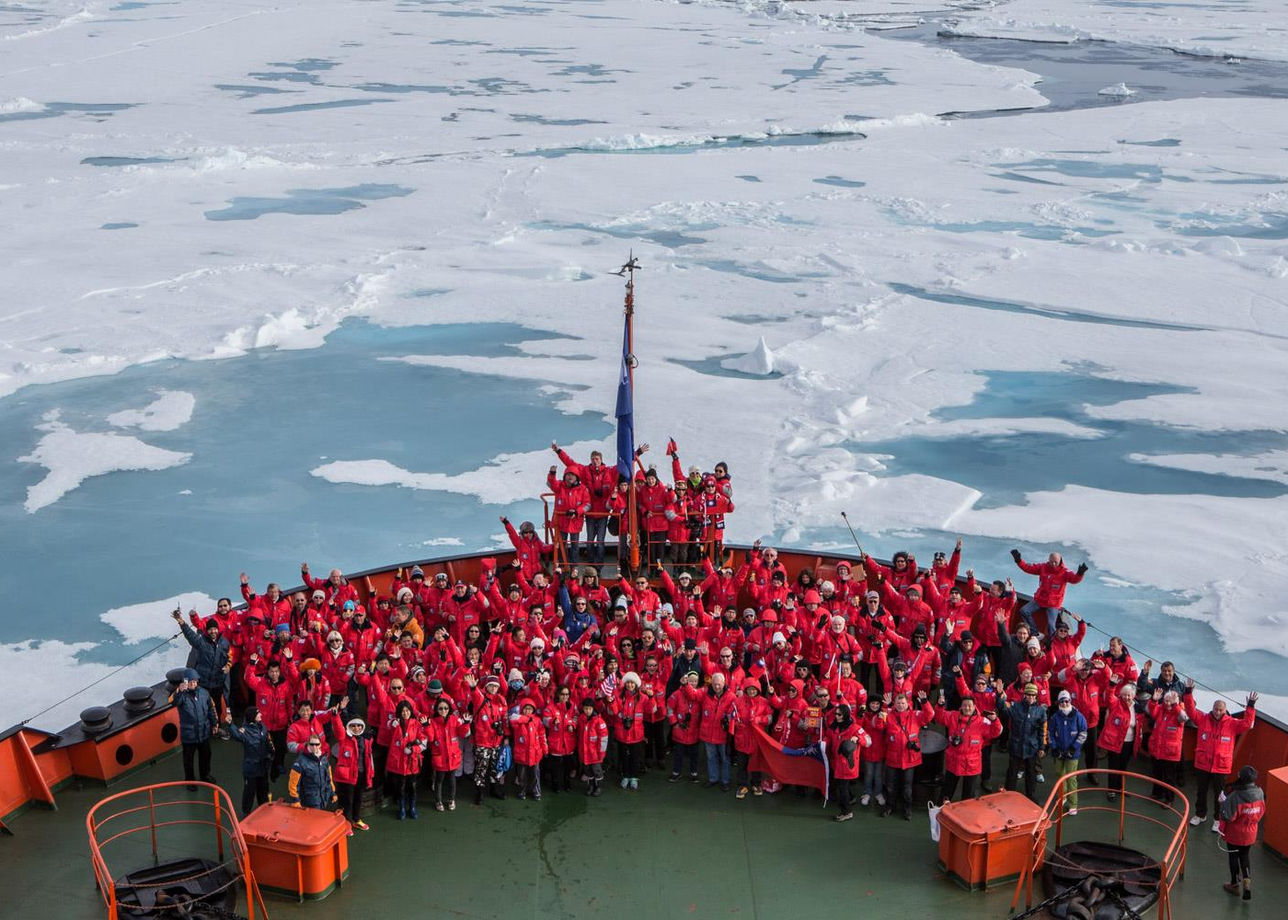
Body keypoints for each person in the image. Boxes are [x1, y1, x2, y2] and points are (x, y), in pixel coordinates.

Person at [1184, 683, 1257, 829]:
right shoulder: (1203, 719)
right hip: (1203, 764)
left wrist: (1250, 706)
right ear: (1212, 709)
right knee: (1201, 791)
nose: (1217, 712)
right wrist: (1188, 693)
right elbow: (1191, 711)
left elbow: (1248, 724)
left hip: (1220, 767)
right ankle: (1200, 814)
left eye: (1220, 710)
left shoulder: (1232, 724)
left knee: (1220, 795)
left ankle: (1218, 819)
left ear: (1225, 710)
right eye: (1216, 709)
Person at [934, 693, 1002, 804]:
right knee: (947, 791)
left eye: (970, 705)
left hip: (971, 766)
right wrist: (940, 706)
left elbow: (995, 732)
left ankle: (965, 817)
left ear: (975, 707)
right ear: (961, 706)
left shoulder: (982, 722)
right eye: (964, 705)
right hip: (954, 762)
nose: (967, 708)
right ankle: (940, 811)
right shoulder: (953, 716)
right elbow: (939, 718)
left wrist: (995, 720)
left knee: (968, 797)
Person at [173, 610, 231, 734]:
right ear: (207, 631)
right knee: (202, 707)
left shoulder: (224, 643)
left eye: (215, 629)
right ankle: (205, 729)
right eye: (210, 629)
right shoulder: (201, 642)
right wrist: (182, 622)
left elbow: (228, 657)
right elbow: (190, 635)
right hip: (203, 683)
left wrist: (228, 666)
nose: (213, 631)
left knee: (217, 707)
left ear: (218, 629)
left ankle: (216, 727)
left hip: (217, 682)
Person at [881, 691, 935, 820]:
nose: (900, 705)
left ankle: (907, 809)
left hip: (909, 759)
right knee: (890, 786)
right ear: (894, 704)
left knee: (907, 788)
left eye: (903, 703)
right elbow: (878, 724)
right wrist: (884, 707)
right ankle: (889, 807)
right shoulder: (888, 715)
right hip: (892, 758)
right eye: (898, 703)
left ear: (908, 703)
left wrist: (924, 702)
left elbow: (929, 715)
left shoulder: (915, 715)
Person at [1010, 549, 1086, 635]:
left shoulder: (1064, 572)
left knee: (1051, 625)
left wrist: (1080, 573)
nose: (1053, 564)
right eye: (1051, 562)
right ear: (1048, 560)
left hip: (1053, 604)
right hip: (1040, 600)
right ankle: (1034, 631)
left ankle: (1052, 643)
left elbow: (1074, 579)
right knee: (1024, 611)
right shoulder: (1043, 567)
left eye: (1055, 562)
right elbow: (1028, 568)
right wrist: (1019, 561)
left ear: (1060, 561)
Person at [1220, 766, 1266, 901]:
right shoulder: (1260, 793)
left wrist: (1223, 803)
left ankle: (1234, 884)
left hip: (1235, 833)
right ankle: (1247, 882)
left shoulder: (1235, 796)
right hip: (1251, 832)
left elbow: (1228, 816)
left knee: (1233, 856)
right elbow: (1262, 811)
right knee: (1245, 856)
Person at [1000, 681, 1047, 802]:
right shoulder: (1015, 707)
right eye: (1029, 694)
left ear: (1036, 696)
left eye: (1033, 695)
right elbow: (1003, 708)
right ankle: (1008, 795)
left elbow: (1042, 731)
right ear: (1024, 695)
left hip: (1032, 747)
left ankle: (1030, 795)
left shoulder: (1041, 711)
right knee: (1012, 772)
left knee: (1031, 773)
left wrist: (1041, 747)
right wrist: (999, 694)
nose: (1031, 697)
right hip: (1016, 746)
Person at [170, 668, 217, 786]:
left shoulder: (204, 693)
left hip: (204, 732)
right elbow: (174, 702)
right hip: (189, 735)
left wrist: (215, 723)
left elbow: (211, 708)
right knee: (188, 759)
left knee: (206, 755)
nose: (193, 684)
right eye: (190, 682)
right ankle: (190, 781)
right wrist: (179, 691)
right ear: (185, 683)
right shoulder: (182, 696)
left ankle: (205, 774)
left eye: (195, 681)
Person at [826, 703, 870, 822]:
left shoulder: (855, 728)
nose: (837, 716)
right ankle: (846, 808)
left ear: (845, 715)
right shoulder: (833, 726)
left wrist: (858, 739)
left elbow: (868, 741)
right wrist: (822, 743)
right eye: (835, 714)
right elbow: (828, 738)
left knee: (843, 789)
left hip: (847, 764)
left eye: (839, 714)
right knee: (842, 788)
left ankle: (847, 812)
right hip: (837, 763)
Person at [224, 707, 272, 817]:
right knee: (249, 791)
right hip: (251, 768)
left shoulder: (263, 727)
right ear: (252, 717)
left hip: (263, 766)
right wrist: (230, 724)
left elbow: (268, 742)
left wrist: (271, 754)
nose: (261, 714)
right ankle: (246, 812)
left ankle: (264, 808)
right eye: (258, 713)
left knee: (264, 789)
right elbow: (237, 735)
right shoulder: (245, 731)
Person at [330, 710, 374, 831]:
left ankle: (357, 819)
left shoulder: (366, 741)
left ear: (362, 727)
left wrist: (370, 773)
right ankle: (347, 823)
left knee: (358, 798)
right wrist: (336, 715)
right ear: (349, 727)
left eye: (359, 725)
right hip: (347, 777)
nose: (356, 728)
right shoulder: (344, 738)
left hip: (361, 774)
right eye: (353, 725)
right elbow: (338, 728)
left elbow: (368, 758)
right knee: (347, 801)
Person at [1097, 684, 1141, 800]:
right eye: (1124, 695)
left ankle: (1120, 788)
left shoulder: (1137, 708)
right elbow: (1109, 697)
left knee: (1123, 766)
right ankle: (1111, 791)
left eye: (1129, 695)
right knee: (1113, 766)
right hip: (1115, 742)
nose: (1127, 697)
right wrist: (1111, 685)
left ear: (1133, 696)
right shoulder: (1116, 703)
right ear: (1121, 695)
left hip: (1129, 742)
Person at [1047, 691, 1088, 815]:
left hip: (1072, 754)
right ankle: (1062, 796)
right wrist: (1054, 748)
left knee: (1071, 778)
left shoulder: (1078, 716)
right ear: (1058, 703)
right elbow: (1050, 733)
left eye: (1067, 701)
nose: (1065, 703)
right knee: (1060, 775)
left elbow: (1083, 733)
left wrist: (1073, 748)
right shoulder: (1055, 717)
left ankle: (1073, 804)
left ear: (1070, 701)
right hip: (1059, 752)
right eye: (1062, 701)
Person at [386, 700, 427, 820]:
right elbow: (388, 726)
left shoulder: (417, 724)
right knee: (400, 787)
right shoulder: (395, 724)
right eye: (402, 711)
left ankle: (412, 807)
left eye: (407, 710)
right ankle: (402, 808)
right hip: (398, 762)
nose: (405, 713)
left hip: (412, 762)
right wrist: (393, 722)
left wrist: (413, 749)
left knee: (412, 786)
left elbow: (423, 742)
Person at [427, 697, 469, 811]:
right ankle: (438, 801)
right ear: (437, 709)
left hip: (452, 756)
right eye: (440, 708)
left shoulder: (455, 720)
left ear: (449, 709)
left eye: (446, 708)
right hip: (440, 756)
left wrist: (466, 724)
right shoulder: (433, 722)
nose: (443, 710)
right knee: (439, 780)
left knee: (452, 779)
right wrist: (426, 726)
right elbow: (430, 738)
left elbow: (463, 733)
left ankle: (451, 799)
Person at [698, 672, 735, 791]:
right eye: (714, 684)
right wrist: (685, 685)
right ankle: (713, 779)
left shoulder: (731, 697)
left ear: (724, 683)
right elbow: (693, 695)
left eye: (719, 684)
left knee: (725, 758)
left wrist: (728, 717)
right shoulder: (705, 694)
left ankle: (725, 781)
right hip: (708, 733)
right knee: (711, 757)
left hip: (723, 735)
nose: (717, 687)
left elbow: (733, 713)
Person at [287, 734, 336, 811]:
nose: (314, 746)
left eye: (317, 744)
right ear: (307, 744)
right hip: (308, 801)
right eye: (312, 744)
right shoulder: (300, 761)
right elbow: (293, 783)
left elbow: (329, 778)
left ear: (320, 745)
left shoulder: (324, 759)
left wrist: (332, 793)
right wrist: (295, 800)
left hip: (323, 799)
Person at [578, 697, 610, 796]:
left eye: (589, 709)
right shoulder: (581, 719)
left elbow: (603, 739)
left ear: (593, 709)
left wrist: (601, 753)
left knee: (597, 771)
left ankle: (598, 787)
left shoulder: (599, 721)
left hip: (595, 754)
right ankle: (591, 786)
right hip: (585, 753)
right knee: (588, 771)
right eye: (586, 708)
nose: (587, 711)